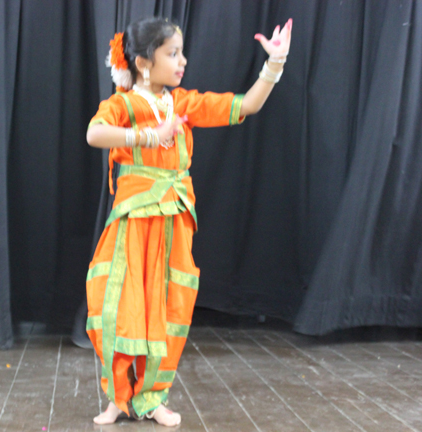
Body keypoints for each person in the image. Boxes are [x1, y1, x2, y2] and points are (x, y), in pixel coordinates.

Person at [85, 17, 292, 426]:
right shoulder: (123, 105)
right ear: (144, 63)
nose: (182, 61)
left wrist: (275, 63)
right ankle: (118, 396)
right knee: (120, 305)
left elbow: (246, 106)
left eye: (181, 53)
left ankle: (153, 396)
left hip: (173, 223)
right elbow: (95, 134)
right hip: (133, 223)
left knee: (167, 307)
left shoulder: (183, 103)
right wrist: (149, 136)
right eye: (172, 53)